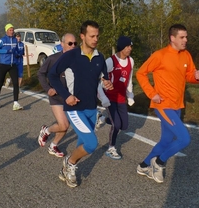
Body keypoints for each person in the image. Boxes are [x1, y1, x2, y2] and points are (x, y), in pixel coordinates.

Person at [48, 20, 113, 188]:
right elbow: (52, 75)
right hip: (74, 108)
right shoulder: (71, 55)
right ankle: (70, 164)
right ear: (83, 36)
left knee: (83, 142)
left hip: (92, 108)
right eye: (92, 36)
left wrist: (107, 82)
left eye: (97, 36)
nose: (95, 39)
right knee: (92, 143)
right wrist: (66, 96)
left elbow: (103, 77)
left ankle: (66, 168)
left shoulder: (100, 56)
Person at [135, 24, 199, 183]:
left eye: (186, 37)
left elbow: (189, 75)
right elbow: (141, 73)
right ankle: (159, 162)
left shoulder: (186, 55)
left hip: (178, 105)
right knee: (184, 139)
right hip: (163, 105)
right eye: (182, 37)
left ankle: (143, 166)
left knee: (166, 140)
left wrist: (196, 77)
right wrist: (152, 94)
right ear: (172, 38)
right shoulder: (160, 55)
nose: (185, 40)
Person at [37, 33, 77, 158]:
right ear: (62, 44)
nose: (73, 46)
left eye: (75, 43)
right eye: (70, 43)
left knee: (64, 126)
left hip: (70, 97)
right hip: (56, 96)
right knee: (64, 124)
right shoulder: (53, 59)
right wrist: (47, 88)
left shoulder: (78, 60)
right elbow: (41, 74)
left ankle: (53, 145)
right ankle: (46, 131)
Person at [96, 36, 135, 160]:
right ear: (121, 47)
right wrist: (103, 96)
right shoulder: (110, 61)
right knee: (116, 124)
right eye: (128, 46)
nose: (130, 48)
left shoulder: (131, 61)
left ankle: (102, 118)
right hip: (110, 97)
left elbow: (128, 80)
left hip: (121, 98)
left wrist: (130, 95)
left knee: (124, 126)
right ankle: (111, 148)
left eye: (130, 46)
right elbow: (100, 79)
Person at [0, 23, 23, 110]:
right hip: (4, 64)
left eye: (13, 30)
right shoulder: (2, 40)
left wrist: (18, 54)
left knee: (16, 83)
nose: (12, 31)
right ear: (6, 31)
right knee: (0, 82)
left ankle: (16, 103)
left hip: (13, 64)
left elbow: (16, 50)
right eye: (10, 30)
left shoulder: (15, 40)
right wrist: (5, 51)